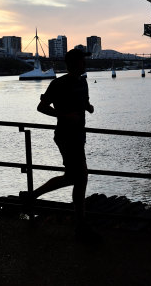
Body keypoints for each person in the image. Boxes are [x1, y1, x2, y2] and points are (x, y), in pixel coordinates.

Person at [19, 48, 99, 242]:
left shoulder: (83, 82)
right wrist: (65, 115)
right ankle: (80, 224)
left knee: (76, 177)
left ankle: (32, 196)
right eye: (82, 61)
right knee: (79, 178)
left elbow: (84, 102)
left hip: (79, 135)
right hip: (65, 135)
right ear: (73, 64)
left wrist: (88, 107)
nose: (85, 64)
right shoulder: (58, 83)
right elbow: (41, 107)